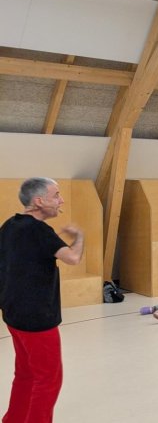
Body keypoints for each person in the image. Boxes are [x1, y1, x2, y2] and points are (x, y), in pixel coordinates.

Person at [0, 177, 84, 423]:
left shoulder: (10, 225)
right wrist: (79, 237)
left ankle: (13, 420)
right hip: (37, 318)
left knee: (26, 373)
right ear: (38, 201)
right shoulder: (40, 230)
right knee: (49, 378)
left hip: (13, 313)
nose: (61, 200)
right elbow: (73, 258)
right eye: (56, 195)